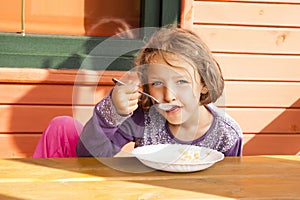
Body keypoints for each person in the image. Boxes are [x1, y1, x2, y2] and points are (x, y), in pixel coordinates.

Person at [33, 26, 243, 158]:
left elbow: (228, 185)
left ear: (204, 84)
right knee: (62, 125)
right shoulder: (144, 118)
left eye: (181, 82)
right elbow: (90, 156)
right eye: (158, 83)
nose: (168, 96)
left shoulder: (226, 134)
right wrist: (113, 111)